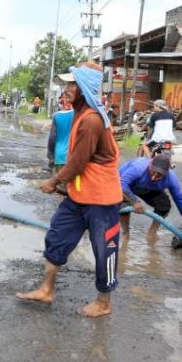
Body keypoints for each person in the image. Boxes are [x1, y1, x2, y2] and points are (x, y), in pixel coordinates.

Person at [16, 62, 123, 318]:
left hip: (102, 200)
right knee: (57, 237)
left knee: (104, 250)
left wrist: (54, 181)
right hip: (79, 196)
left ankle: (104, 302)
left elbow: (79, 161)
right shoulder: (79, 114)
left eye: (71, 84)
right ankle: (46, 289)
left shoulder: (92, 121)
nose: (66, 89)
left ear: (84, 87)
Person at [119, 154, 182, 242]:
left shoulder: (171, 178)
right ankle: (126, 233)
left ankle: (152, 233)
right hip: (127, 186)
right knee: (124, 205)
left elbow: (179, 199)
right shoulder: (137, 168)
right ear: (150, 165)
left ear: (166, 173)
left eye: (160, 174)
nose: (154, 176)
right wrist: (134, 201)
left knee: (164, 205)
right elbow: (122, 184)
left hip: (149, 188)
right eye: (153, 171)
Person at [47, 94, 74, 173]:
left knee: (58, 183)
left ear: (63, 102)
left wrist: (50, 155)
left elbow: (52, 138)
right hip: (73, 157)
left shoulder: (56, 116)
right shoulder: (77, 115)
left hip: (59, 156)